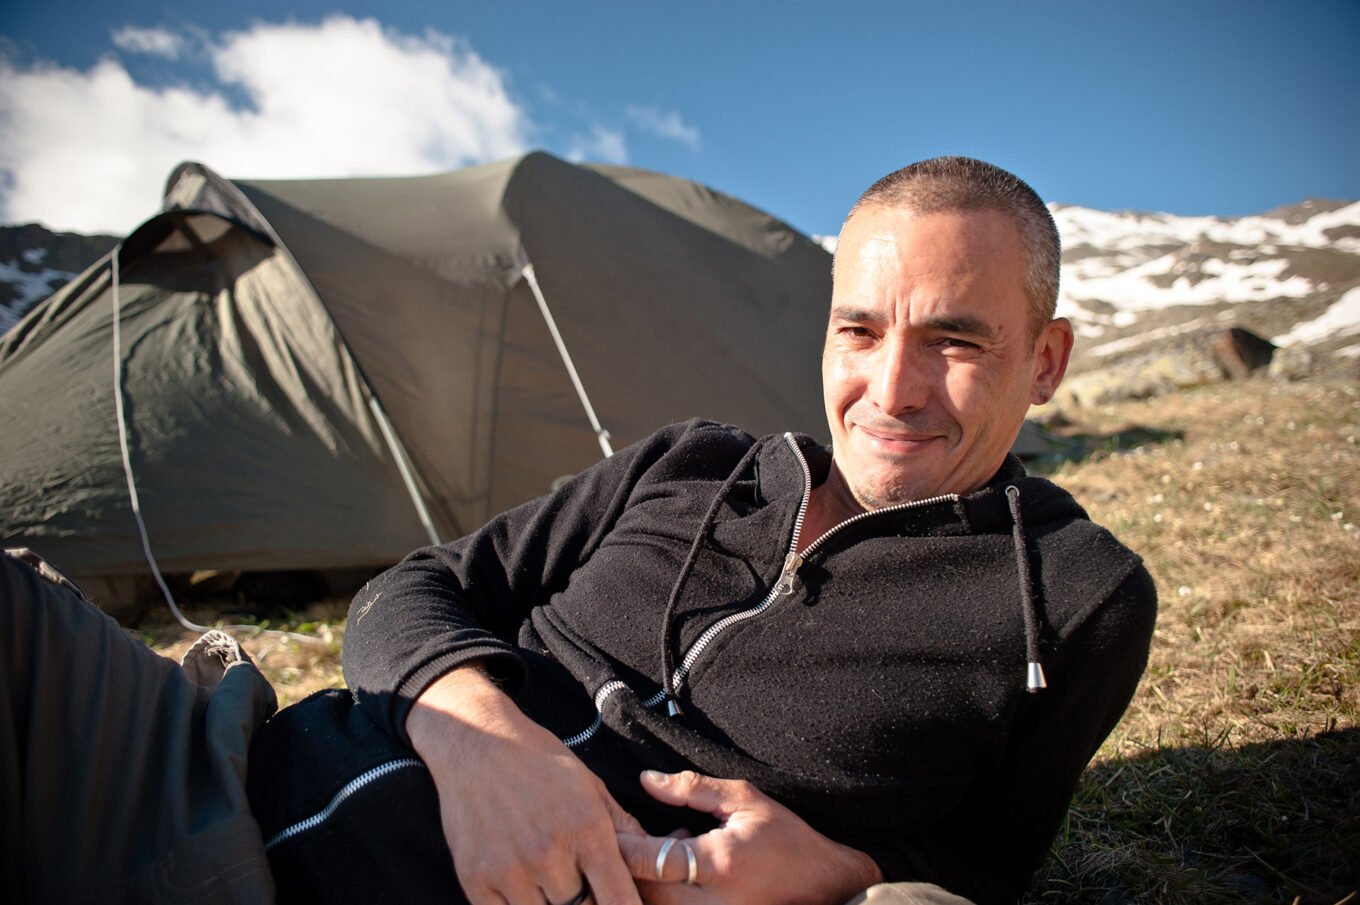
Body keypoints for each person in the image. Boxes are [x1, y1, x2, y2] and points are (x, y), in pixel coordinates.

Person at [2, 157, 1156, 905]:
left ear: (1043, 359)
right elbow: (414, 587)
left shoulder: (1073, 595)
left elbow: (987, 861)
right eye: (858, 330)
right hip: (195, 763)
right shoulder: (691, 460)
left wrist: (845, 868)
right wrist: (483, 742)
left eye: (952, 341)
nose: (888, 386)